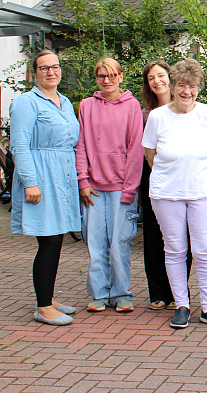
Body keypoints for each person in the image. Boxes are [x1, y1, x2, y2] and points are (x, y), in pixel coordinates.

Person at [142, 58, 207, 329]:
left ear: (198, 88)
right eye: (181, 85)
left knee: (204, 249)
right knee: (175, 249)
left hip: (202, 191)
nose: (187, 92)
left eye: (192, 86)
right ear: (172, 87)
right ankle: (181, 305)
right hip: (166, 193)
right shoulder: (157, 117)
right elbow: (150, 156)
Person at [10, 50, 80, 326]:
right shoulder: (26, 103)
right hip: (41, 175)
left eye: (55, 67)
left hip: (61, 175)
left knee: (57, 237)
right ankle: (42, 306)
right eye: (44, 68)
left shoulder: (64, 101)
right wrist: (31, 182)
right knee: (49, 240)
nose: (51, 72)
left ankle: (48, 298)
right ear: (34, 73)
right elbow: (20, 145)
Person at [76, 58, 144, 313]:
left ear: (121, 76)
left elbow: (135, 150)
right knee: (95, 244)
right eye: (101, 76)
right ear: (96, 78)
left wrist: (129, 188)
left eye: (112, 75)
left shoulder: (132, 106)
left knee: (119, 243)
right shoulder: (86, 106)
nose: (107, 80)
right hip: (93, 188)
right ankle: (99, 294)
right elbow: (81, 145)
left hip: (120, 189)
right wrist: (82, 180)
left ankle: (122, 293)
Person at [139, 60, 191, 311]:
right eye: (151, 78)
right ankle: (159, 292)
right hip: (153, 177)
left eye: (161, 76)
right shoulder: (144, 114)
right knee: (154, 235)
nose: (157, 81)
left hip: (184, 179)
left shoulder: (186, 108)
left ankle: (178, 292)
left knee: (184, 236)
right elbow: (145, 151)